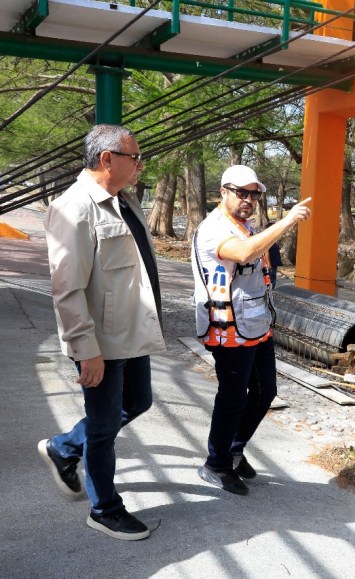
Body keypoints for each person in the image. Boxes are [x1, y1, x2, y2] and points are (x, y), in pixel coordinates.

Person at [39, 124, 164, 541]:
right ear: (108, 159)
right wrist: (85, 349)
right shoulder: (73, 208)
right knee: (105, 425)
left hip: (131, 330)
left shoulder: (124, 202)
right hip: (101, 341)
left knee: (139, 402)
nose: (140, 164)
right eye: (135, 157)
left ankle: (65, 446)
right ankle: (104, 507)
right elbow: (67, 287)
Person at [191, 165, 311, 495]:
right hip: (227, 327)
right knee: (232, 397)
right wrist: (287, 221)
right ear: (223, 192)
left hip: (255, 322)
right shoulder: (215, 228)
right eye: (241, 192)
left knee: (265, 392)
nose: (248, 199)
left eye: (254, 194)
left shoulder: (244, 224)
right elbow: (243, 252)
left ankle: (233, 448)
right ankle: (216, 464)